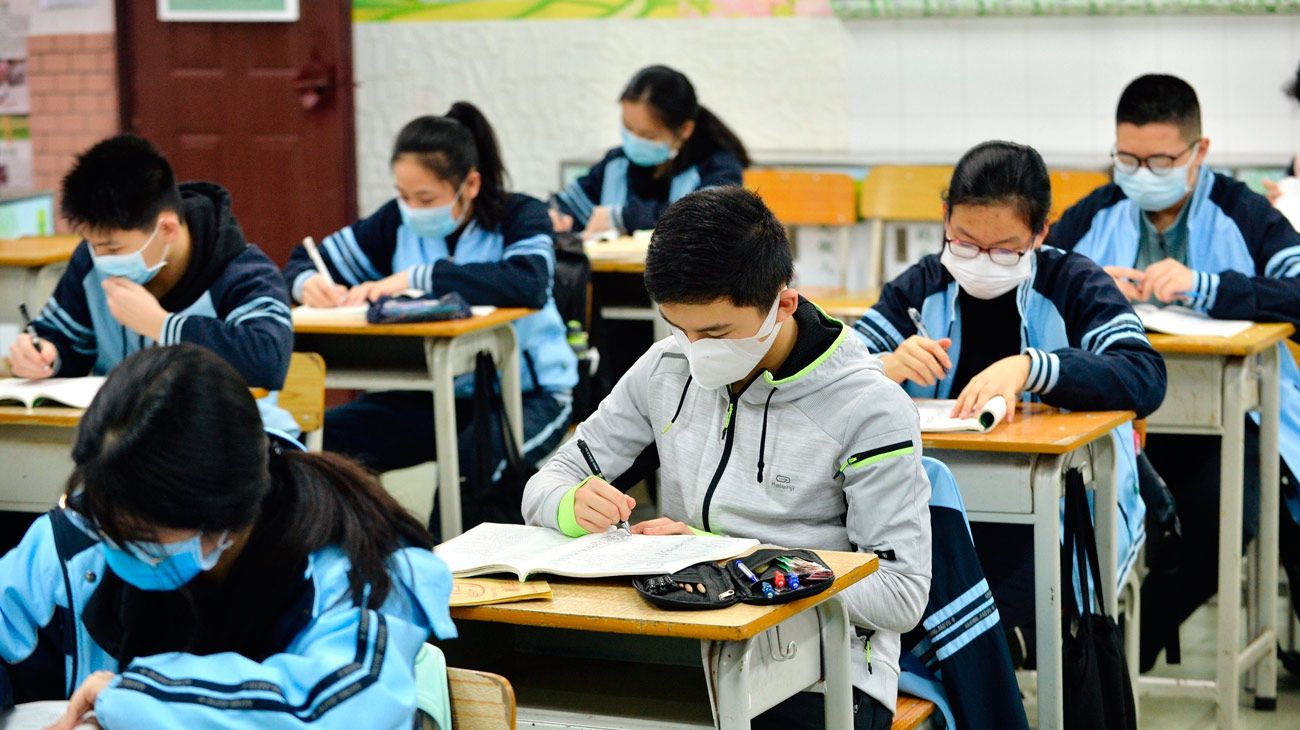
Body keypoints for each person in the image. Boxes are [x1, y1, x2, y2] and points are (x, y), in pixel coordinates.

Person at [524, 187, 930, 729]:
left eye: (715, 332)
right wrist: (570, 505)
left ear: (783, 304)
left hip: (826, 672)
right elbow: (547, 480)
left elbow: (901, 596)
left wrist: (727, 561)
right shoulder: (666, 367)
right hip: (688, 641)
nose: (695, 351)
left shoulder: (868, 407)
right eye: (679, 328)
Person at [0, 344, 455, 729]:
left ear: (224, 520)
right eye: (104, 513)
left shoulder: (354, 566)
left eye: (139, 533)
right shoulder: (83, 531)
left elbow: (337, 711)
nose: (112, 541)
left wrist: (141, 698)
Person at [854, 140, 1164, 637]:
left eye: (1003, 250)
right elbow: (830, 370)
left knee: (966, 610)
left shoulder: (1074, 283)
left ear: (1041, 231)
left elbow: (1143, 375)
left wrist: (1032, 368)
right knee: (895, 592)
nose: (979, 260)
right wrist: (881, 365)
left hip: (1053, 509)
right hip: (935, 505)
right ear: (945, 217)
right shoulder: (923, 283)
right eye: (964, 242)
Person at [1046, 73, 1300, 668]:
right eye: (1126, 158)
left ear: (1198, 153)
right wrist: (1087, 286)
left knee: (1222, 512)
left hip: (1238, 416)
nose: (1140, 172)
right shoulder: (1099, 211)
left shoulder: (1244, 212)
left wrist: (1207, 287)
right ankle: (1088, 640)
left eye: (1159, 159)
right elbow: (1035, 279)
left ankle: (1126, 648)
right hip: (1124, 418)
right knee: (1085, 501)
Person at [282, 103, 578, 532]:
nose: (411, 209)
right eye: (403, 196)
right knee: (323, 443)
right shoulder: (393, 223)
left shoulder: (519, 216)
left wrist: (415, 277)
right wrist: (307, 283)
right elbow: (302, 262)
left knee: (470, 474)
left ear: (470, 184)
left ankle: (455, 583)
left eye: (425, 199)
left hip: (526, 396)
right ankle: (356, 561)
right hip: (426, 394)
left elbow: (529, 283)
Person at [6, 134, 297, 439]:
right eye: (92, 245)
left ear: (167, 229)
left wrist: (161, 325)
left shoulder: (240, 271)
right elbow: (64, 339)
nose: (100, 259)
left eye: (114, 249)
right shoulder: (90, 263)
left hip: (232, 447)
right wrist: (43, 356)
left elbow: (268, 360)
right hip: (128, 445)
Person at [551, 64, 748, 238]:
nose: (634, 142)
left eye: (648, 136)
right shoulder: (616, 165)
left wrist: (622, 218)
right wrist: (553, 217)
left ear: (685, 130)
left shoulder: (716, 166)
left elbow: (708, 220)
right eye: (628, 129)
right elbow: (564, 207)